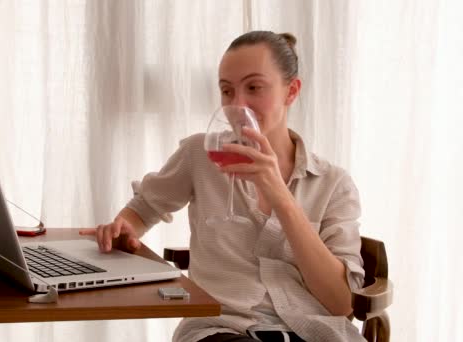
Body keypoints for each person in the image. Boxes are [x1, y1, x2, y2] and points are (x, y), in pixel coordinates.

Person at [80, 30, 365, 342]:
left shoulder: (333, 184)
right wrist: (124, 228)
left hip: (313, 334)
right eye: (227, 91)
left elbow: (340, 303)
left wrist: (280, 196)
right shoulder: (199, 155)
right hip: (219, 331)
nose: (237, 104)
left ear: (291, 91)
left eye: (254, 87)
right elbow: (145, 208)